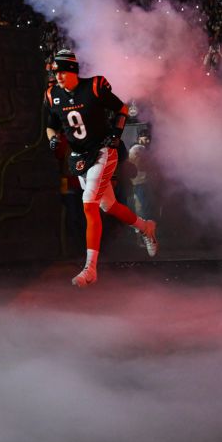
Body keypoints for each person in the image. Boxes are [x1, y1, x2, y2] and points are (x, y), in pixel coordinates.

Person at [45, 49, 158, 288]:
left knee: (89, 204)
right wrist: (52, 138)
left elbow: (122, 108)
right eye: (56, 72)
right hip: (79, 156)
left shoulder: (93, 87)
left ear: (73, 71)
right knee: (109, 205)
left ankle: (90, 269)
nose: (58, 77)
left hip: (102, 151)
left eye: (62, 72)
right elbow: (50, 125)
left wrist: (116, 135)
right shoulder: (52, 94)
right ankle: (145, 226)